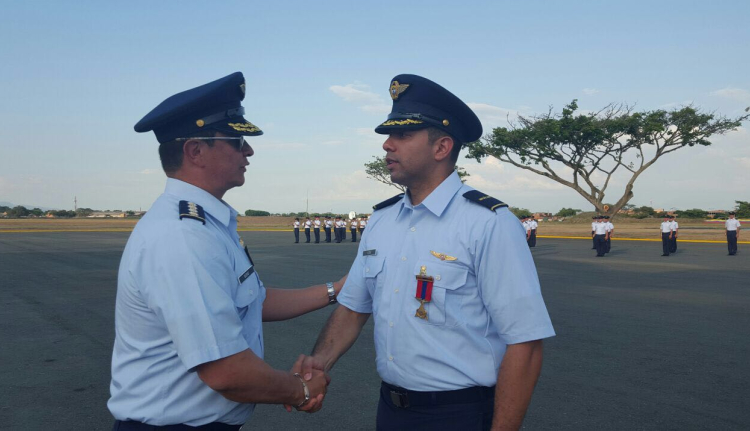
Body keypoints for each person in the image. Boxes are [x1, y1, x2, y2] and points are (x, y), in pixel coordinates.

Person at [298, 74, 555, 431]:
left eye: (402, 135)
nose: (387, 145)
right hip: (392, 410)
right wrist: (318, 365)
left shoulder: (487, 223)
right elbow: (354, 306)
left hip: (459, 414)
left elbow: (525, 341)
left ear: (441, 147)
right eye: (389, 136)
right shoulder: (381, 221)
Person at [109, 72, 343, 430]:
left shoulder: (208, 224)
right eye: (236, 140)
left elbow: (252, 300)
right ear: (195, 151)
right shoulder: (184, 237)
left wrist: (335, 292)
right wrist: (300, 389)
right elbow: (226, 372)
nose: (248, 150)